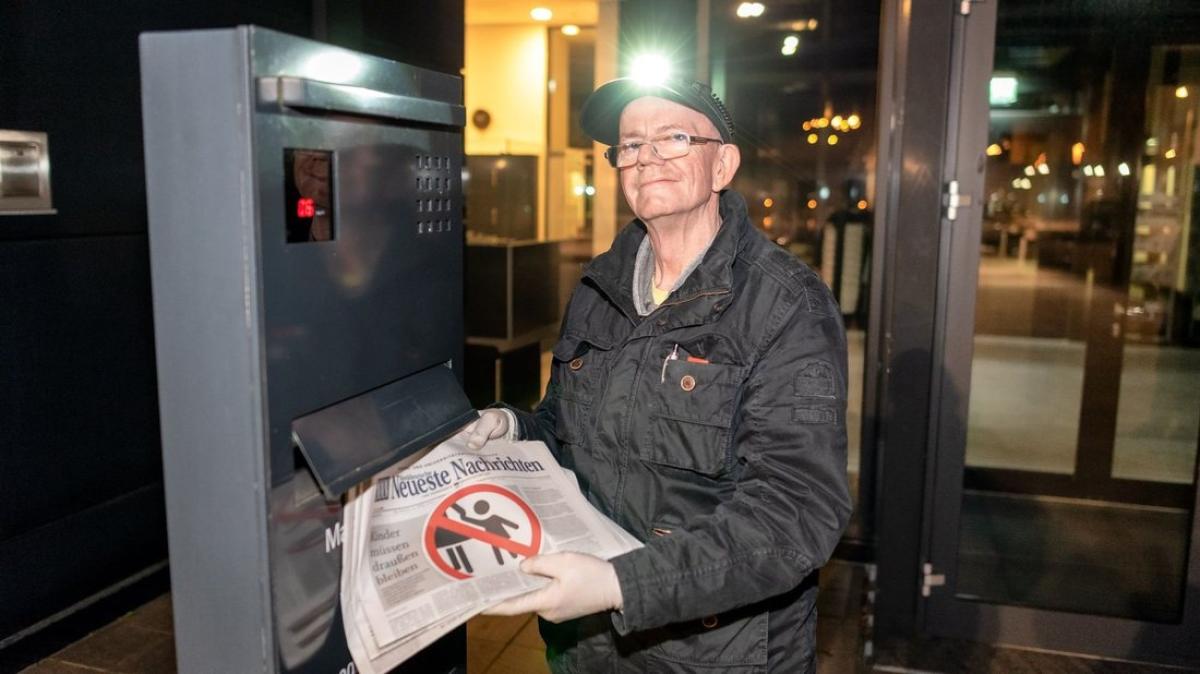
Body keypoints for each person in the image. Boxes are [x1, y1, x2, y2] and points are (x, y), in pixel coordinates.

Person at [459, 77, 852, 673]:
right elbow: (564, 432)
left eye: (673, 138)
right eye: (631, 145)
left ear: (723, 165)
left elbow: (795, 511)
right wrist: (512, 429)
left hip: (715, 655)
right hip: (587, 647)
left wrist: (622, 584)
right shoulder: (599, 287)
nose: (646, 158)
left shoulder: (786, 304)